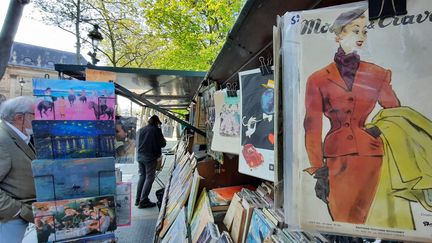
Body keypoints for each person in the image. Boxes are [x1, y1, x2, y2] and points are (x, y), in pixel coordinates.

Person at [303, 7, 400, 225]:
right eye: (355, 30)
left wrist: (379, 128)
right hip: (336, 159)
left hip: (372, 158)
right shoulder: (317, 79)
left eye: (365, 31)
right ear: (338, 35)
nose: (361, 37)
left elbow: (395, 112)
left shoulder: (376, 73)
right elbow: (312, 126)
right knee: (343, 220)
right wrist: (318, 168)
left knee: (371, 219)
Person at [0, 96, 37, 242]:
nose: (37, 119)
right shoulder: (3, 140)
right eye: (34, 115)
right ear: (19, 117)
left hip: (22, 217)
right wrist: (18, 210)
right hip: (10, 220)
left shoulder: (18, 136)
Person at [136, 115, 166, 208]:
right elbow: (163, 144)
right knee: (149, 178)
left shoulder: (141, 130)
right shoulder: (156, 130)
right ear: (157, 123)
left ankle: (138, 199)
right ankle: (143, 200)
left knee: (142, 176)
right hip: (150, 157)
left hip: (139, 156)